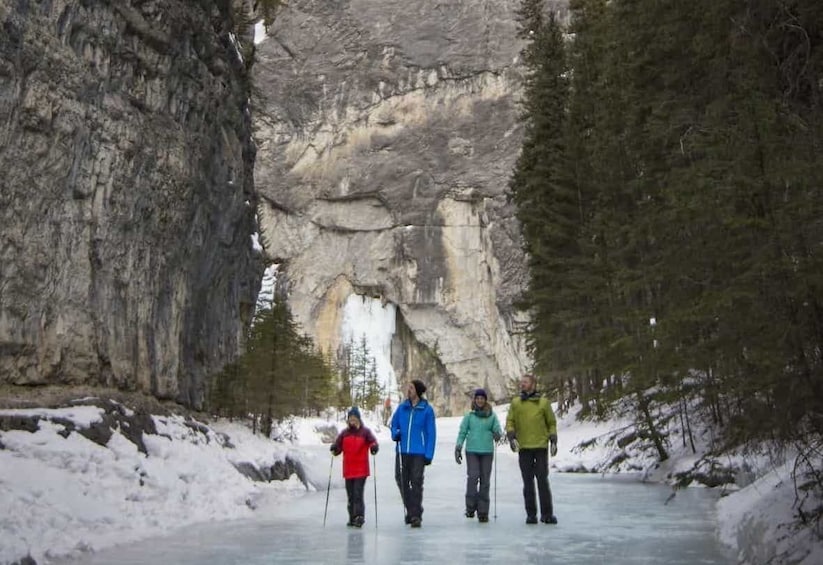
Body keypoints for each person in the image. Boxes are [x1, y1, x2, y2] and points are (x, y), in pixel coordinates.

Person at [505, 373, 559, 524]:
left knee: (542, 480)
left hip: (541, 446)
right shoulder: (516, 403)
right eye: (521, 382)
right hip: (524, 448)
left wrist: (553, 439)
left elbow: (551, 422)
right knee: (527, 482)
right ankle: (531, 514)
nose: (522, 384)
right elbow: (510, 421)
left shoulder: (543, 403)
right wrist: (511, 436)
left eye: (525, 382)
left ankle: (547, 514)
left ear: (533, 385)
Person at [390, 379, 436, 528]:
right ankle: (412, 509)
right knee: (401, 479)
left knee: (416, 482)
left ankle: (415, 515)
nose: (408, 390)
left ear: (417, 390)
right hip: (402, 450)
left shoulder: (426, 409)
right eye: (407, 387)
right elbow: (394, 424)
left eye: (411, 388)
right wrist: (395, 433)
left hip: (418, 452)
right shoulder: (402, 408)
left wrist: (429, 454)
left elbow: (431, 433)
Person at [454, 388, 503, 523]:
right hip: (472, 451)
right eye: (478, 398)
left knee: (485, 481)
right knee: (473, 477)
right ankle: (470, 508)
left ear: (485, 400)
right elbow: (462, 432)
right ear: (475, 400)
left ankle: (483, 511)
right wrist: (458, 447)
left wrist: (497, 434)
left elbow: (497, 430)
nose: (480, 400)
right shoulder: (469, 416)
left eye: (482, 398)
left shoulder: (492, 416)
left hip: (487, 451)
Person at [330, 406, 379, 527]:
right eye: (350, 418)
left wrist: (373, 447)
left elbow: (373, 442)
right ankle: (352, 517)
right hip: (348, 469)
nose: (352, 421)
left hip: (361, 469)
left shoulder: (365, 432)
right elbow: (338, 447)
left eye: (354, 418)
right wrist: (335, 448)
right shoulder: (344, 433)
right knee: (350, 495)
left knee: (357, 493)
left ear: (358, 419)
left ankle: (359, 516)